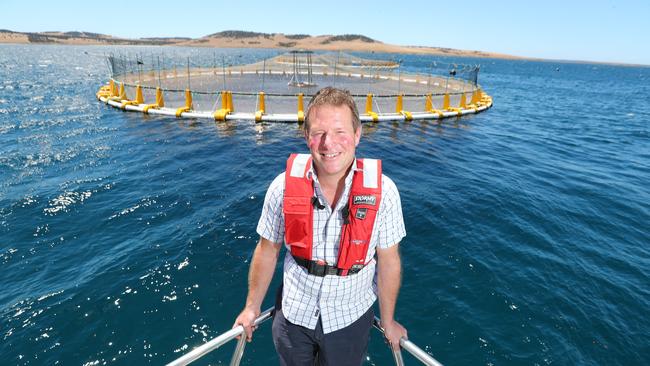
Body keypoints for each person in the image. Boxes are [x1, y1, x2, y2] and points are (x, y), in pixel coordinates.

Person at [233, 87, 407, 366]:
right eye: (318, 133)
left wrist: (388, 321)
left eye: (340, 132)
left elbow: (388, 261)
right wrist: (251, 308)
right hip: (293, 316)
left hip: (349, 319)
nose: (329, 143)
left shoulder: (385, 193)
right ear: (307, 138)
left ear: (357, 135)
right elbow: (267, 250)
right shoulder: (282, 187)